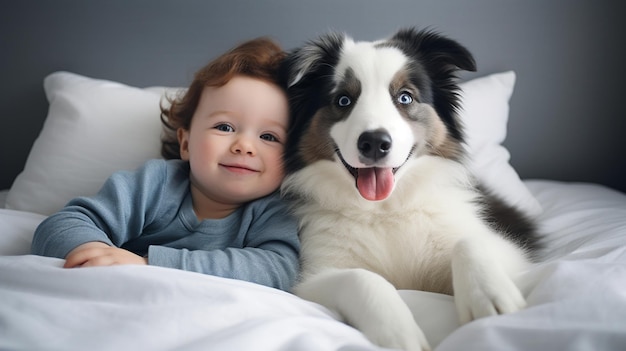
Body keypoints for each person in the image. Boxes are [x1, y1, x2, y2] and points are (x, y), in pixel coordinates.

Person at [31, 37, 299, 292]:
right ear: (185, 143)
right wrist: (93, 251)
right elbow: (64, 223)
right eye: (224, 126)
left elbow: (279, 268)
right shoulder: (155, 184)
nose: (244, 146)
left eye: (269, 137)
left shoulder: (275, 210)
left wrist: (149, 263)